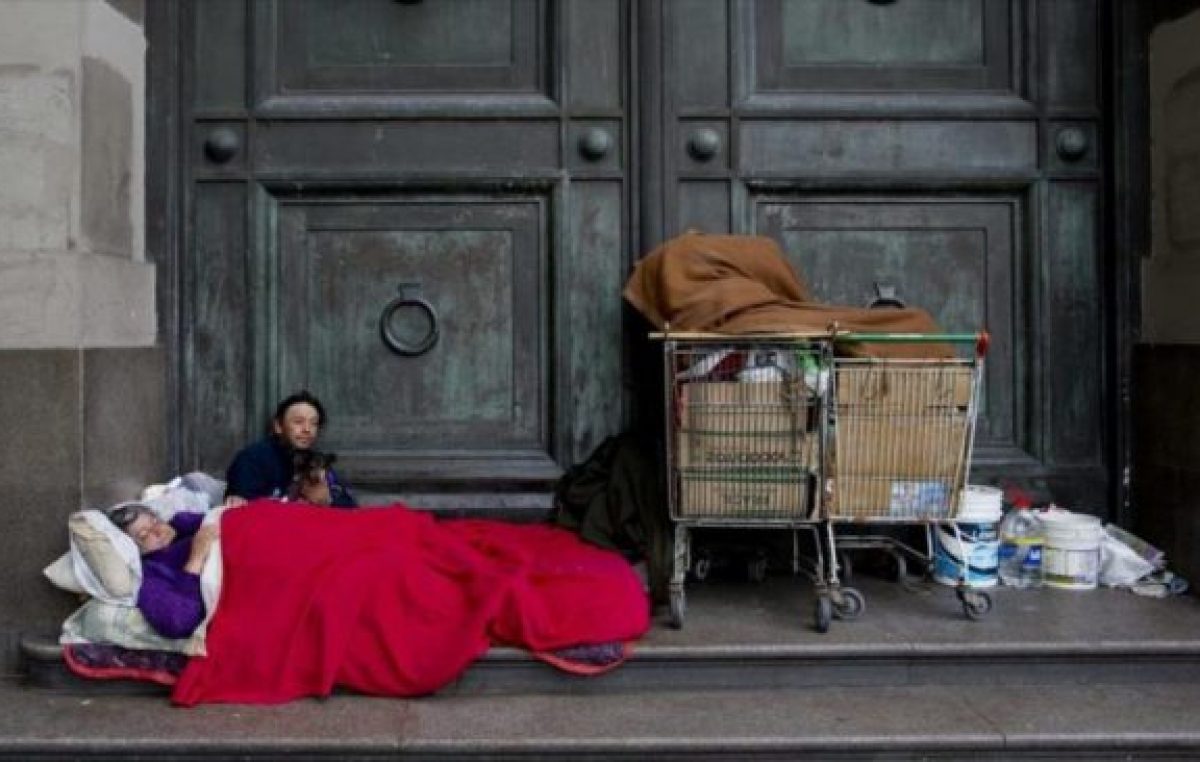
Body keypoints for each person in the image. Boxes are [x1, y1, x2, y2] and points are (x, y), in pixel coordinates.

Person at [224, 390, 356, 507]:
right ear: (278, 426)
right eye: (298, 422)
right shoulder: (253, 459)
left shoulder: (317, 463)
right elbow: (239, 509)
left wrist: (327, 500)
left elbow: (352, 512)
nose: (307, 429)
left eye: (314, 423)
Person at [106, 503, 217, 639]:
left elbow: (224, 519)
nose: (158, 530)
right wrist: (197, 559)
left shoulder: (182, 523)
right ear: (132, 550)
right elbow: (178, 622)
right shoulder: (150, 575)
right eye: (144, 535)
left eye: (155, 521)